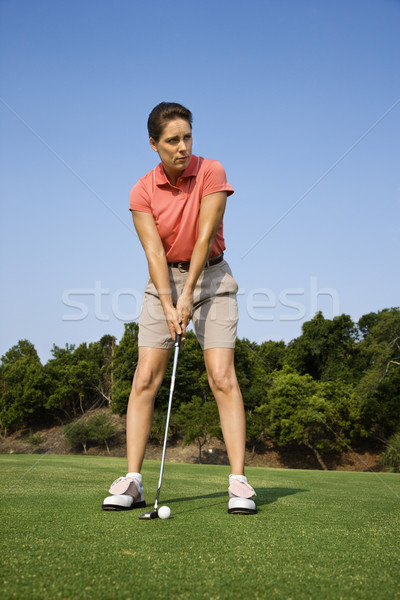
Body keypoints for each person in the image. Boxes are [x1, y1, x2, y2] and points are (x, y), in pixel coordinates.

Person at [102, 102, 256, 515]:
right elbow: (153, 253)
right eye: (172, 140)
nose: (183, 147)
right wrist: (169, 302)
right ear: (154, 145)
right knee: (145, 377)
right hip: (162, 283)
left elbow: (204, 237)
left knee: (222, 376)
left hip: (213, 278)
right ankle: (132, 480)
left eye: (188, 137)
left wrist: (188, 295)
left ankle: (238, 482)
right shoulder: (141, 191)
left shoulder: (212, 171)